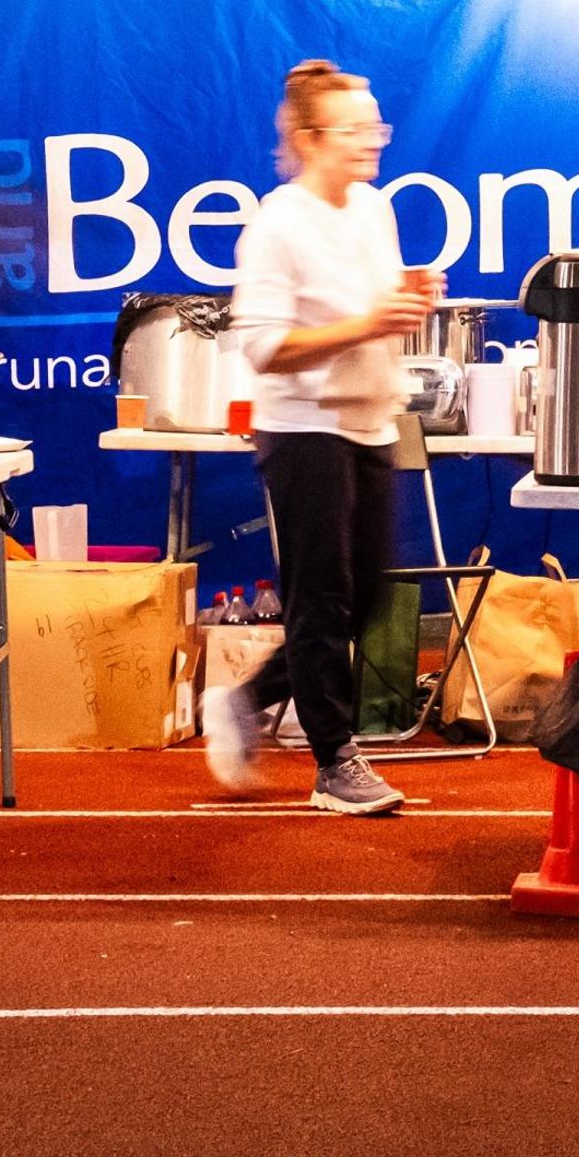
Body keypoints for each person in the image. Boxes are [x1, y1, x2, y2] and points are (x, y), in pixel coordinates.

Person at [212, 59, 441, 814]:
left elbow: (370, 307)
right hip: (301, 426)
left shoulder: (373, 207)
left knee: (369, 595)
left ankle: (243, 700)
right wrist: (368, 324)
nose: (371, 141)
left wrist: (405, 299)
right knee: (322, 601)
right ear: (310, 139)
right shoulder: (277, 222)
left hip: (370, 419)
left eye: (375, 127)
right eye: (353, 130)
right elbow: (264, 345)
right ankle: (335, 763)